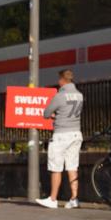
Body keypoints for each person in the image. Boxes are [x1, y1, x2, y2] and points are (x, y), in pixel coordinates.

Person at [37, 69, 85, 209]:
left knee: (56, 167)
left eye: (59, 80)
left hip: (61, 135)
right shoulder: (79, 95)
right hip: (76, 134)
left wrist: (53, 116)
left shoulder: (60, 95)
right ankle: (74, 198)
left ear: (62, 80)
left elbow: (46, 113)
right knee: (72, 167)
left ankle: (53, 199)